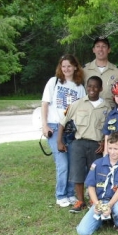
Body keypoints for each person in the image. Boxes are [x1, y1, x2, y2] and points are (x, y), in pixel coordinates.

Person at [58, 76, 111, 213]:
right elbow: (63, 122)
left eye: (95, 87)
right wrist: (59, 141)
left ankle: (94, 200)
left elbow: (110, 129)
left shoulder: (106, 107)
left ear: (100, 89)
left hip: (96, 145)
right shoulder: (78, 104)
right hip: (78, 143)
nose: (91, 89)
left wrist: (105, 144)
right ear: (86, 87)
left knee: (96, 174)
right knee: (77, 172)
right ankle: (80, 201)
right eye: (89, 86)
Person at [41, 54, 86, 207]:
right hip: (54, 127)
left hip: (70, 129)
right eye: (63, 66)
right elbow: (45, 104)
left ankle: (69, 193)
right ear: (60, 68)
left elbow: (82, 110)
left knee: (72, 163)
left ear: (75, 67)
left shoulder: (79, 87)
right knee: (63, 164)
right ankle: (61, 195)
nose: (66, 69)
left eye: (69, 66)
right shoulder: (53, 82)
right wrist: (44, 125)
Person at [76, 131, 118, 235]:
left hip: (116, 201)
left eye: (116, 149)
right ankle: (102, 219)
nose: (112, 152)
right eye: (110, 148)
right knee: (82, 232)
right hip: (100, 201)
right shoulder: (97, 164)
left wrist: (109, 206)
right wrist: (97, 204)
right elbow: (91, 186)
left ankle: (117, 222)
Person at [83, 36, 118, 109]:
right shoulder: (84, 70)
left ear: (109, 50)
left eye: (104, 46)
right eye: (98, 46)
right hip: (89, 112)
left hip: (109, 113)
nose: (100, 49)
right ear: (93, 50)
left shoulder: (117, 72)